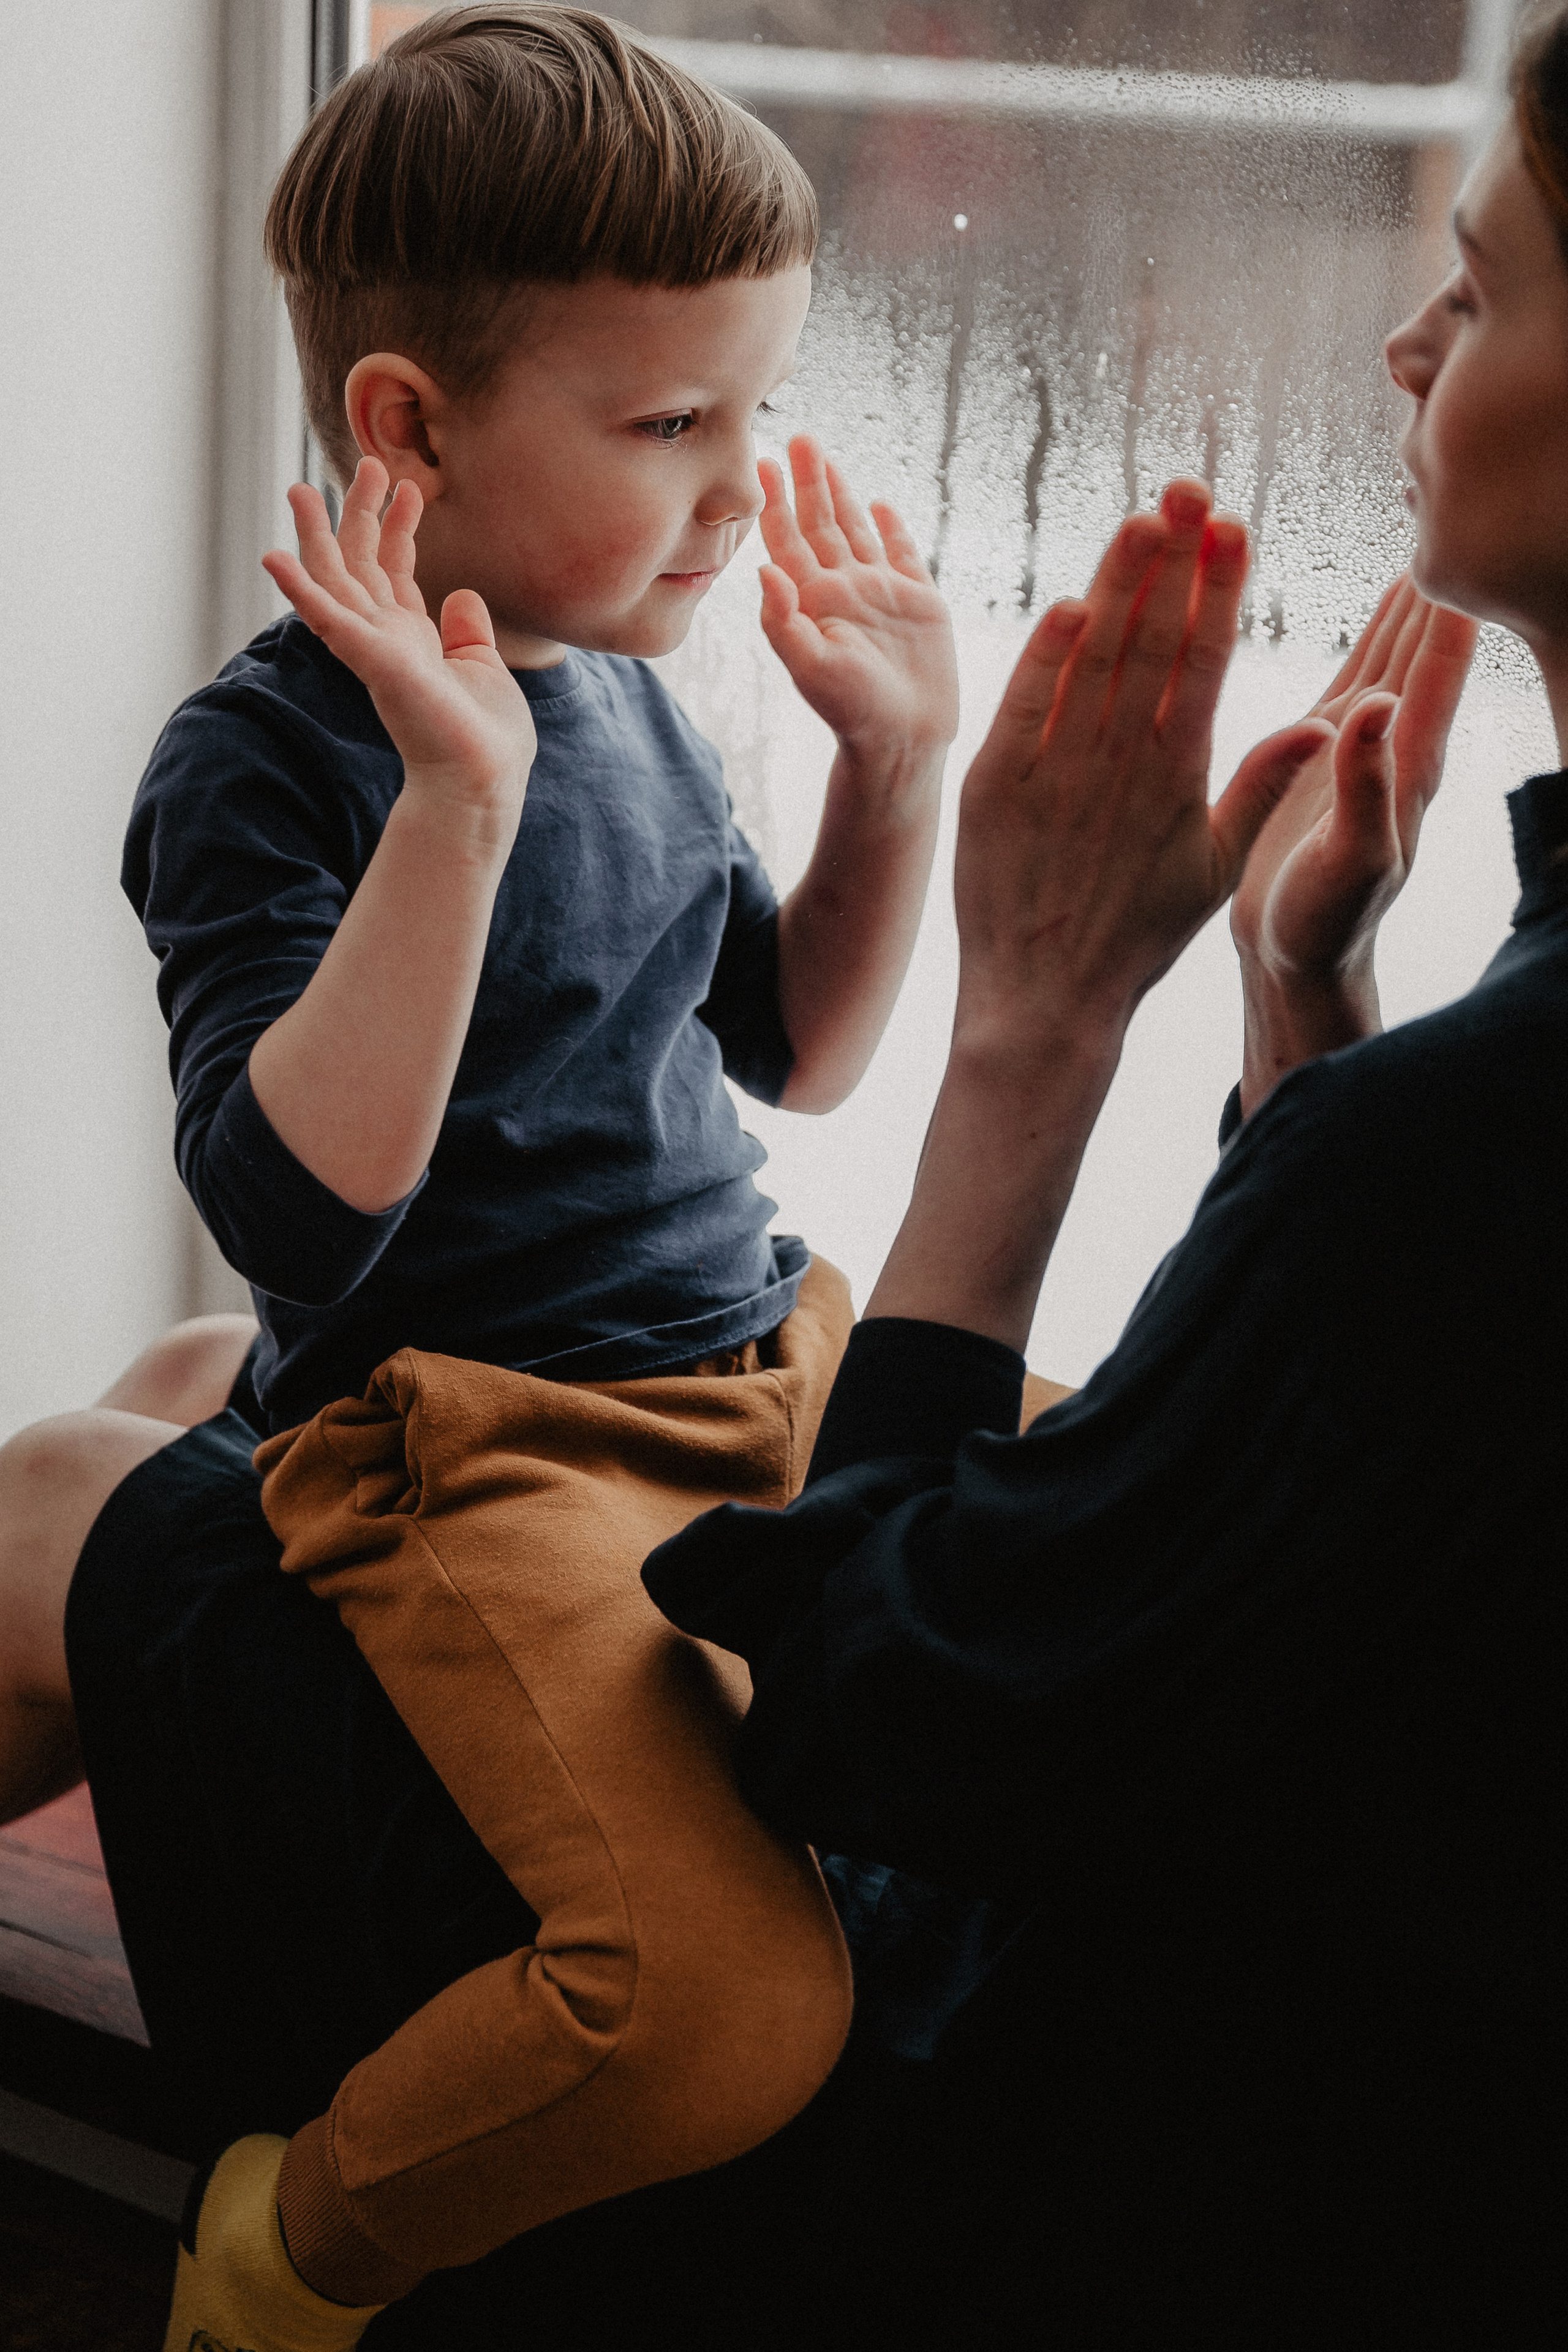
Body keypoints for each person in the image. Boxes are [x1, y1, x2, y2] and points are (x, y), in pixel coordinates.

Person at [0, 8, 997, 2346]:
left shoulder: (635, 685)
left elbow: (805, 1050)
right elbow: (299, 1206)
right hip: (490, 1436)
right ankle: (285, 2247)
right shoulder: (261, 758)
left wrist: (901, 766)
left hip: (751, 1341)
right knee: (717, 2012)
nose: (745, 489)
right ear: (406, 428)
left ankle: (184, 1421)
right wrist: (455, 804)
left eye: (759, 410)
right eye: (671, 425)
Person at [641, 18, 1568, 2346]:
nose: (1407, 338)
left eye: (1486, 284)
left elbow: (902, 1720)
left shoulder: (1466, 1153)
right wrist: (1300, 1014)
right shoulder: (1437, 1144)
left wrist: (1038, 1033)